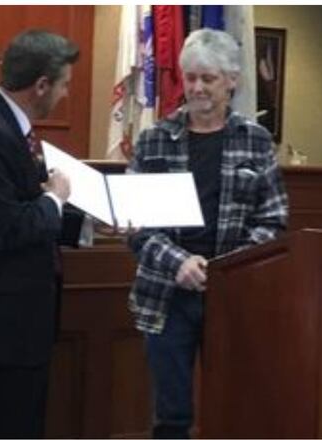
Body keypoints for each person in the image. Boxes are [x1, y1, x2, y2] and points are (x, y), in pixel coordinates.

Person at [126, 28, 288, 439]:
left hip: (234, 295)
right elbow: (136, 226)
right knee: (171, 416)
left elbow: (273, 222)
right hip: (166, 295)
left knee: (233, 408)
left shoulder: (255, 140)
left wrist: (223, 269)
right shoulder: (154, 139)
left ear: (232, 80)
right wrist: (180, 263)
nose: (196, 88)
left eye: (208, 78)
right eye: (190, 77)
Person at [0, 30, 77, 438]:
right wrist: (55, 199)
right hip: (1, 330)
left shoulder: (5, 125)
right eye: (64, 84)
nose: (65, 94)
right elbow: (8, 228)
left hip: (18, 326)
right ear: (41, 84)